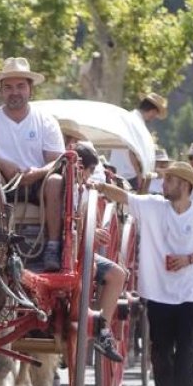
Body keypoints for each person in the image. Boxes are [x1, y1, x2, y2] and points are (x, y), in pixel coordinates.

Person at [95, 161, 193, 386]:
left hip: (189, 292)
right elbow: (122, 196)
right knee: (160, 349)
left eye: (169, 180)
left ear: (184, 185)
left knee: (187, 347)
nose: (163, 184)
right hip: (158, 292)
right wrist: (97, 185)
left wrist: (188, 259)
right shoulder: (153, 206)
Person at [0, 57, 66, 272]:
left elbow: (57, 161)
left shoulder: (46, 120)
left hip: (38, 184)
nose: (14, 92)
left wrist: (38, 173)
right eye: (8, 87)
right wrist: (2, 163)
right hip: (3, 183)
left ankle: (53, 245)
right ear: (1, 91)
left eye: (20, 86)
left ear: (30, 90)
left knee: (56, 181)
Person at [74, 143, 126, 362]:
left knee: (117, 273)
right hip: (76, 255)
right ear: (83, 169)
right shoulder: (79, 193)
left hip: (76, 252)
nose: (85, 177)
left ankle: (101, 328)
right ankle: (101, 330)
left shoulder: (83, 192)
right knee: (117, 274)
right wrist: (91, 233)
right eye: (86, 172)